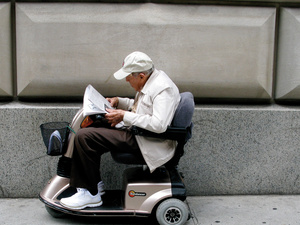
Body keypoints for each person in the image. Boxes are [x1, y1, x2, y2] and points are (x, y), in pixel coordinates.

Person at [60, 51, 181, 210]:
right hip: (141, 134)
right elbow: (143, 107)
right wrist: (119, 102)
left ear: (142, 76)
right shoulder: (151, 80)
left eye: (129, 76)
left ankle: (90, 194)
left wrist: (124, 116)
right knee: (95, 124)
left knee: (85, 137)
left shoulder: (161, 88)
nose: (126, 80)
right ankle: (94, 184)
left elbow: (159, 125)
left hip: (149, 141)